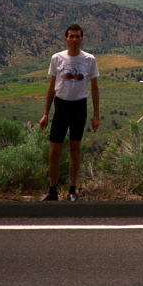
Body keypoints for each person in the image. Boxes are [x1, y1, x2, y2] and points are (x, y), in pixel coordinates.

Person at [39, 24, 100, 201]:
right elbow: (51, 86)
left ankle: (72, 190)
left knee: (75, 149)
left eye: (77, 36)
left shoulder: (89, 59)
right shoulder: (57, 58)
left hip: (79, 107)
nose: (74, 39)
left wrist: (96, 115)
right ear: (66, 39)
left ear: (82, 39)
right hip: (61, 106)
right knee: (54, 151)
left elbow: (95, 88)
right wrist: (45, 113)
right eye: (71, 36)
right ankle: (52, 190)